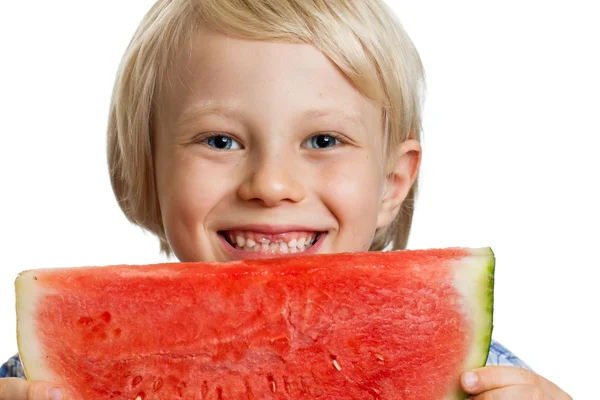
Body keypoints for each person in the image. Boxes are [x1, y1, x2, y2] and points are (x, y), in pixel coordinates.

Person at [0, 0, 571, 398]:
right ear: (146, 171)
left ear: (393, 184)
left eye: (323, 141)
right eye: (219, 141)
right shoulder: (42, 380)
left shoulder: (482, 377)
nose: (271, 185)